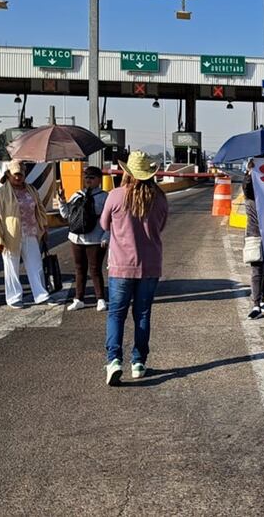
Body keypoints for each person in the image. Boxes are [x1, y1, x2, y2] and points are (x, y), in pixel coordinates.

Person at [100, 150, 169, 386]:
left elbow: (103, 224)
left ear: (127, 172)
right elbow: (162, 226)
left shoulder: (116, 196)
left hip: (120, 267)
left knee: (116, 314)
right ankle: (138, 362)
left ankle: (114, 361)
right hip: (150, 266)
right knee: (142, 315)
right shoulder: (160, 198)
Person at [0, 160, 55, 309]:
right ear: (8, 175)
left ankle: (41, 294)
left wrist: (44, 228)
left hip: (31, 232)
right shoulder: (1, 194)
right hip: (10, 235)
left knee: (36, 265)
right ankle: (14, 298)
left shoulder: (31, 189)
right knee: (11, 267)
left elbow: (39, 209)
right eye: (16, 175)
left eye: (21, 174)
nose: (19, 178)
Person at [58, 166, 109, 312]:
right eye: (86, 177)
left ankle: (100, 299)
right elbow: (67, 214)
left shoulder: (105, 197)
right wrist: (62, 200)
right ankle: (78, 299)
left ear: (99, 180)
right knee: (79, 269)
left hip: (96, 238)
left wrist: (107, 235)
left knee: (95, 269)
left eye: (92, 177)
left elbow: (111, 219)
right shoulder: (77, 195)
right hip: (76, 238)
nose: (88, 180)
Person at [244, 158, 264, 319]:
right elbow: (247, 185)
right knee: (257, 270)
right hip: (255, 235)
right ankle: (256, 305)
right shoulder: (250, 191)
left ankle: (261, 301)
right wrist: (251, 172)